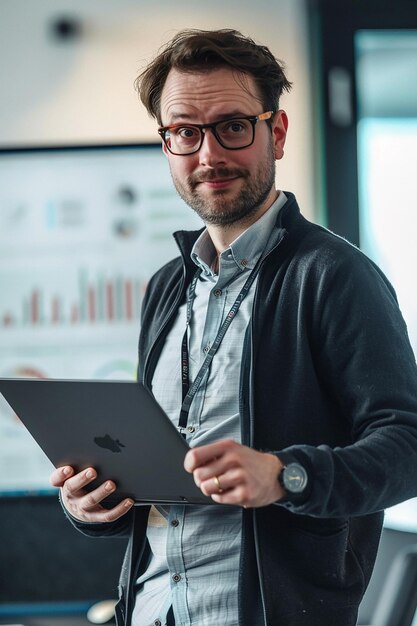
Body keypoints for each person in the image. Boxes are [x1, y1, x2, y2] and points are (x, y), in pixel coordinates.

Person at [50, 28, 417, 626]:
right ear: (167, 144)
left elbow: (408, 443)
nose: (209, 155)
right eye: (185, 133)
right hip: (149, 611)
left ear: (275, 131)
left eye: (233, 126)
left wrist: (285, 475)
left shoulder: (334, 277)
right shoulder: (167, 287)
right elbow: (156, 481)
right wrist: (93, 503)